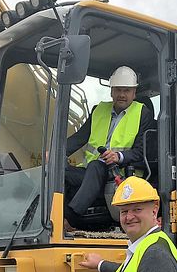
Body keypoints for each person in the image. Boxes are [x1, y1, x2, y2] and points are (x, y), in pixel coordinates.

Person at [64, 66, 155, 229]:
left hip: (121, 173)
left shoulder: (143, 114)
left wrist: (119, 156)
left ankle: (71, 219)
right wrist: (56, 153)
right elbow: (79, 138)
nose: (122, 94)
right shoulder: (99, 110)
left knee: (96, 166)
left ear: (134, 93)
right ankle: (56, 215)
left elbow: (142, 153)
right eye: (118, 90)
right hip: (91, 173)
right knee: (61, 172)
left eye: (126, 90)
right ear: (111, 91)